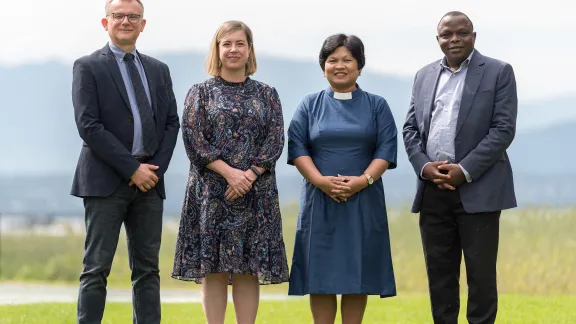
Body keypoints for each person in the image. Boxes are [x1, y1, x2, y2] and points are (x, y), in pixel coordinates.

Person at [402, 11, 518, 324]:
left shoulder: (498, 72)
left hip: (478, 188)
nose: (454, 39)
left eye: (462, 33)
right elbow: (411, 129)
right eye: (447, 34)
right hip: (432, 191)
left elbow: (503, 129)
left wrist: (463, 169)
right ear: (438, 39)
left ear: (473, 36)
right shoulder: (424, 75)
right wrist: (425, 168)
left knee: (480, 277)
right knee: (439, 276)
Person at [171, 20, 289, 324]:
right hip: (213, 192)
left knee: (249, 267)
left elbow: (275, 139)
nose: (233, 49)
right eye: (227, 44)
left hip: (255, 192)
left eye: (240, 43)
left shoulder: (267, 94)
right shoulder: (200, 93)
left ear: (249, 49)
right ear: (218, 50)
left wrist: (248, 175)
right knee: (214, 268)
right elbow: (194, 140)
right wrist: (230, 174)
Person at [70, 0, 180, 322]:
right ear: (106, 23)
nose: (126, 21)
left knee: (148, 271)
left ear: (143, 24)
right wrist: (132, 169)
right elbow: (88, 126)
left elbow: (172, 122)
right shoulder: (87, 66)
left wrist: (152, 171)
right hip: (105, 181)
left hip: (150, 182)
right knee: (96, 269)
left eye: (134, 16)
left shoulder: (159, 70)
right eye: (118, 15)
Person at [287, 34, 398, 324]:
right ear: (323, 65)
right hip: (318, 199)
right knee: (320, 274)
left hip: (363, 199)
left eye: (347, 59)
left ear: (359, 65)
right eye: (332, 60)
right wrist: (321, 181)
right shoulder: (309, 105)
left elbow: (386, 149)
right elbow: (297, 147)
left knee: (356, 272)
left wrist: (363, 180)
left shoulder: (377, 105)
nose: (340, 65)